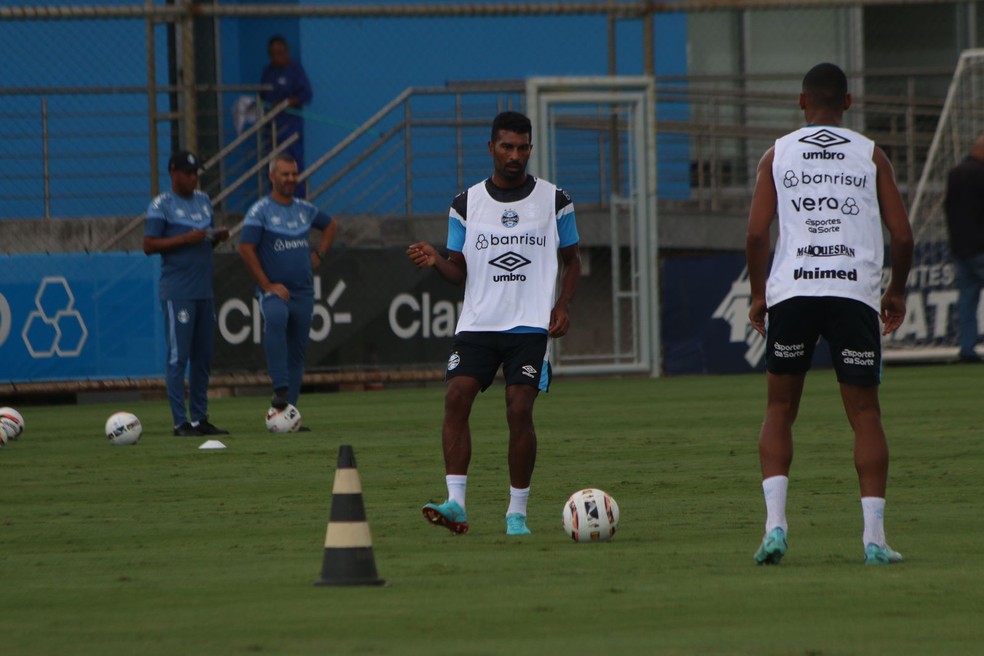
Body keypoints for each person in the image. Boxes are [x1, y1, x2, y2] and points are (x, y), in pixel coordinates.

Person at [745, 63, 914, 565]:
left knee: (780, 410)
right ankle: (874, 539)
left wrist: (759, 295)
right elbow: (902, 236)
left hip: (793, 291)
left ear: (801, 102)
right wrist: (896, 291)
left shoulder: (778, 154)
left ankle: (775, 527)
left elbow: (757, 235)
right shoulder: (870, 154)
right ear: (847, 102)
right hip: (852, 293)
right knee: (865, 415)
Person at [407, 111, 581, 536]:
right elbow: (458, 271)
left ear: (530, 149)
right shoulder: (465, 203)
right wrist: (436, 261)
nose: (514, 155)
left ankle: (516, 512)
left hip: (528, 326)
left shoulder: (555, 200)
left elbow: (572, 260)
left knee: (519, 408)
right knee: (455, 398)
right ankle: (456, 504)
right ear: (491, 148)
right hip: (479, 324)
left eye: (522, 147)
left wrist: (562, 304)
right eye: (506, 147)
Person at [239, 154, 337, 427]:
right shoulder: (260, 211)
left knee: (297, 353)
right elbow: (245, 248)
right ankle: (280, 388)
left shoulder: (304, 209)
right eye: (285, 174)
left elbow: (331, 226)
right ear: (272, 177)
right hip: (274, 291)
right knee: (276, 317)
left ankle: (288, 414)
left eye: (294, 174)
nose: (291, 179)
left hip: (303, 292)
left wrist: (319, 253)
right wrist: (267, 285)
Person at [144, 151, 230, 437]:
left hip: (203, 289)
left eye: (196, 173)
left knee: (203, 356)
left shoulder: (204, 201)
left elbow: (204, 245)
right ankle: (180, 422)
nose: (193, 178)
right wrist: (185, 238)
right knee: (178, 356)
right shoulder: (161, 205)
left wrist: (215, 238)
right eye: (187, 173)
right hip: (178, 290)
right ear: (173, 172)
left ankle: (201, 417)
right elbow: (149, 245)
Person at [944, 135, 984, 363]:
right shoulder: (980, 174)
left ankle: (967, 347)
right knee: (968, 299)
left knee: (967, 300)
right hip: (980, 247)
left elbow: (948, 209)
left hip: (960, 248)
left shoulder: (955, 173)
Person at [260, 35, 313, 198]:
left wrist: (288, 102)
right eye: (273, 54)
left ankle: (297, 199)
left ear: (286, 52)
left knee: (292, 164)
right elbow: (262, 96)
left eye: (280, 53)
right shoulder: (268, 72)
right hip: (272, 128)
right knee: (273, 165)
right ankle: (276, 199)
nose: (277, 57)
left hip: (290, 127)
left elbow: (306, 94)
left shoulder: (295, 70)